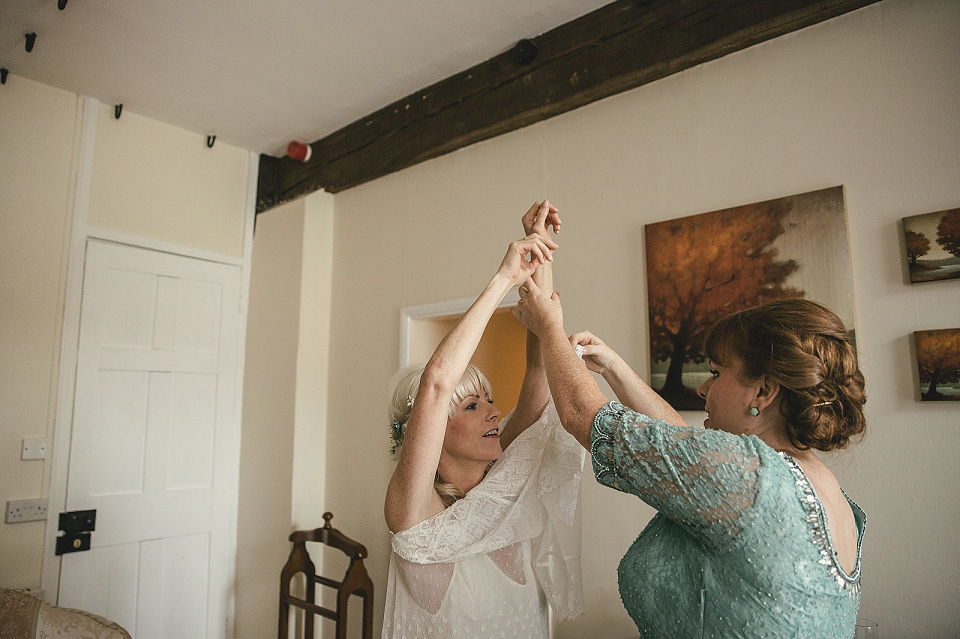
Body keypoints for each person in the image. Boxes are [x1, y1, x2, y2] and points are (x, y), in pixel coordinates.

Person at [512, 288, 868, 638]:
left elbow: (583, 416)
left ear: (763, 391)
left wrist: (548, 327)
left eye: (715, 373)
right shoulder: (813, 482)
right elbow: (680, 450)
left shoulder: (747, 474)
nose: (702, 390)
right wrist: (614, 369)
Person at [382, 202, 585, 639]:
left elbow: (538, 372)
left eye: (488, 400)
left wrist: (541, 253)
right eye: (472, 405)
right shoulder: (414, 514)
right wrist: (503, 279)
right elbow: (437, 384)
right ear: (430, 429)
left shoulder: (505, 480)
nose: (494, 411)